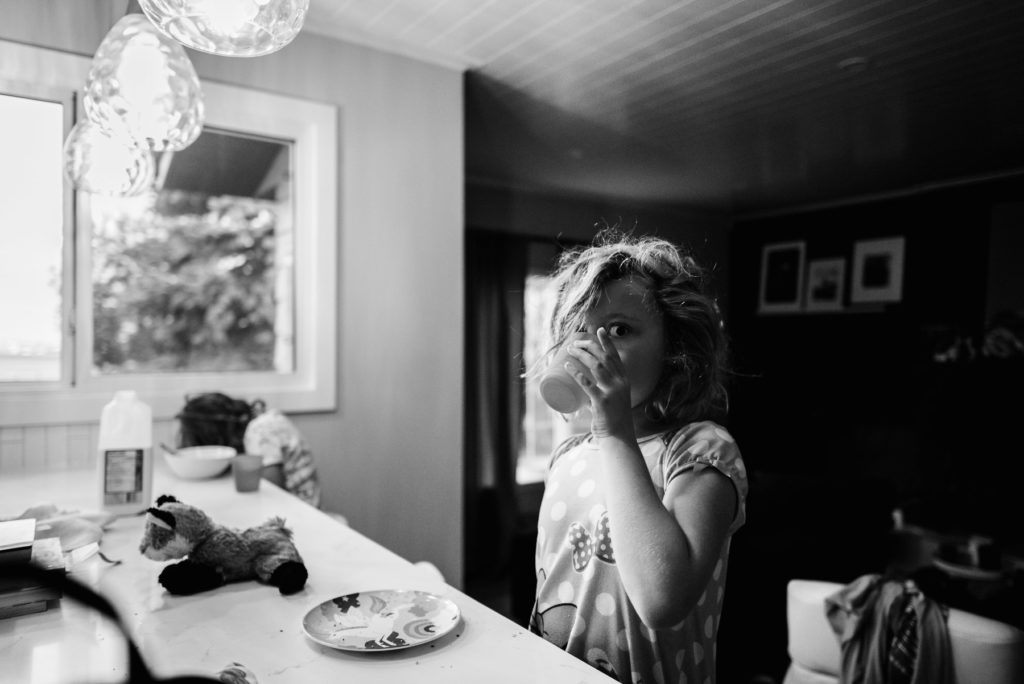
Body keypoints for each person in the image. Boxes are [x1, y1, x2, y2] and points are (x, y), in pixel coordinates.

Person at [529, 230, 748, 684]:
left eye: (619, 330)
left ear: (674, 351)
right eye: (580, 331)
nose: (593, 348)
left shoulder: (700, 450)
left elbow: (662, 600)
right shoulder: (570, 453)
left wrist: (614, 433)